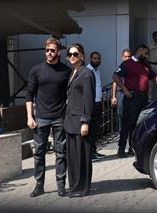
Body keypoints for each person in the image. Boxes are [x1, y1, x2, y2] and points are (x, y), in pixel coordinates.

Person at [26, 37, 71, 197]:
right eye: (47, 50)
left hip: (60, 116)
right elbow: (29, 95)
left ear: (58, 51)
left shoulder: (66, 71)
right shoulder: (36, 70)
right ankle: (39, 185)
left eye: (52, 50)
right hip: (41, 118)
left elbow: (72, 94)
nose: (49, 53)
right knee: (39, 153)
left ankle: (61, 185)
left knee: (61, 153)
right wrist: (29, 117)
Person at [113, 44, 157, 158]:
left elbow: (153, 76)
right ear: (139, 51)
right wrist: (125, 90)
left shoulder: (145, 64)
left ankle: (132, 148)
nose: (147, 56)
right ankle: (121, 149)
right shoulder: (127, 63)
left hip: (143, 98)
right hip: (132, 97)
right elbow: (115, 76)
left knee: (138, 124)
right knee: (127, 123)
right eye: (145, 53)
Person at [64, 43, 95, 197]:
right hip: (70, 121)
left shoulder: (87, 74)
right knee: (73, 158)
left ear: (82, 55)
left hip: (80, 121)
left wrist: (85, 121)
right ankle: (75, 186)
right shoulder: (73, 72)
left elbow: (88, 100)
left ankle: (83, 188)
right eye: (70, 54)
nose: (72, 56)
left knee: (82, 157)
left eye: (75, 54)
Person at [86, 51, 106, 162]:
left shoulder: (97, 71)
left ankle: (94, 151)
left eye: (98, 58)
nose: (97, 60)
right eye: (94, 58)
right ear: (90, 59)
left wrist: (101, 102)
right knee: (91, 130)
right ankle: (89, 154)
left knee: (95, 130)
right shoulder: (88, 71)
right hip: (91, 104)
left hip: (98, 103)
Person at [111, 49, 132, 130]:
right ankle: (121, 131)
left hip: (130, 93)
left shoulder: (133, 67)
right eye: (125, 57)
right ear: (122, 57)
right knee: (121, 113)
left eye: (129, 57)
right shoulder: (120, 68)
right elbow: (115, 82)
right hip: (121, 93)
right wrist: (113, 97)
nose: (127, 58)